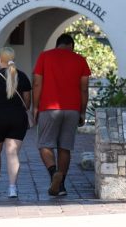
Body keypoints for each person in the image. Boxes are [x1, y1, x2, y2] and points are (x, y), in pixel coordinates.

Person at [32, 33, 91, 196]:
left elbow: (37, 83)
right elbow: (84, 88)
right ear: (71, 46)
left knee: (44, 145)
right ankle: (61, 186)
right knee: (65, 147)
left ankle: (53, 174)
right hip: (72, 109)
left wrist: (35, 107)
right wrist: (82, 111)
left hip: (49, 108)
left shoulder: (45, 57)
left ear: (57, 44)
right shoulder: (80, 60)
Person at [0, 47, 32, 198]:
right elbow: (27, 103)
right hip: (18, 118)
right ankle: (13, 188)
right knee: (12, 153)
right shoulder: (23, 76)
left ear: (0, 59)